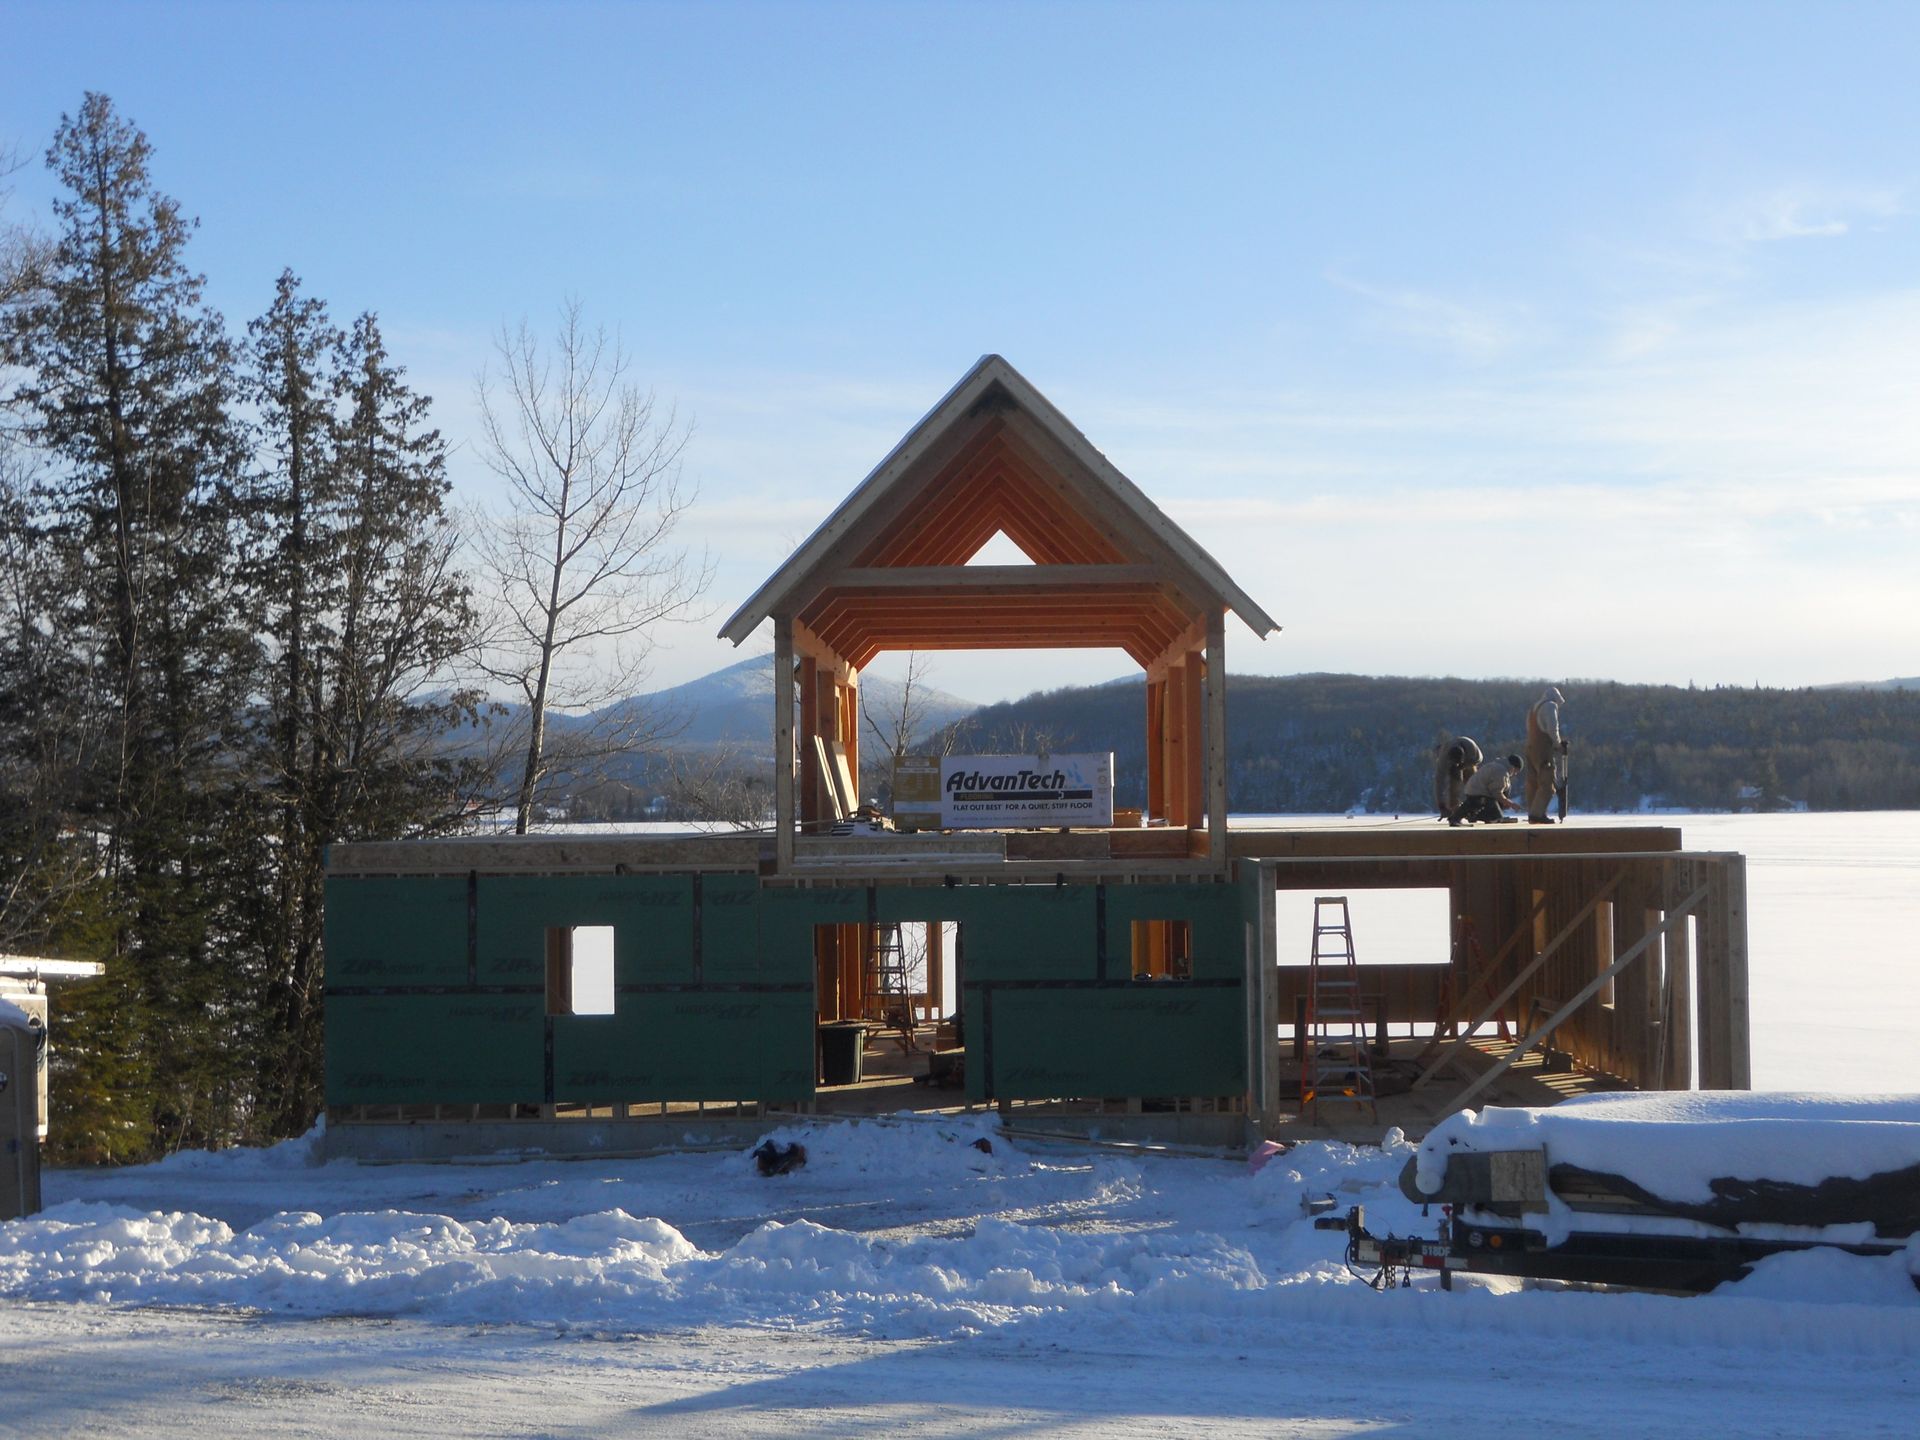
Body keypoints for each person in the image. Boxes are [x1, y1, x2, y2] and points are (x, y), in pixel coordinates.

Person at [1525, 687, 1566, 823]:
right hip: (1542, 749)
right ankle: (1537, 814)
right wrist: (1558, 744)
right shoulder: (1550, 706)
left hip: (1530, 748)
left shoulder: (1534, 709)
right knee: (1547, 784)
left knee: (1533, 783)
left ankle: (1532, 812)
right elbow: (1552, 728)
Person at [1433, 735, 1484, 826]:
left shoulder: (1474, 752)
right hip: (1453, 760)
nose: (1457, 766)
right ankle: (1454, 811)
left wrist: (1464, 766)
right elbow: (1439, 782)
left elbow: (1478, 761)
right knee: (1454, 787)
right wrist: (1442, 805)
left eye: (1458, 763)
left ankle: (1473, 809)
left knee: (1473, 785)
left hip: (1469, 760)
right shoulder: (1443, 759)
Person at [1458, 753, 1523, 824]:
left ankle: (1477, 815)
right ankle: (1475, 815)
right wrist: (1510, 804)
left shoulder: (1496, 765)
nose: (1515, 774)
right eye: (1516, 771)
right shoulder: (1501, 771)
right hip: (1479, 794)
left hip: (1472, 791)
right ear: (1513, 767)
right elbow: (1496, 793)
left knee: (1506, 788)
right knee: (1496, 816)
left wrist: (1504, 802)